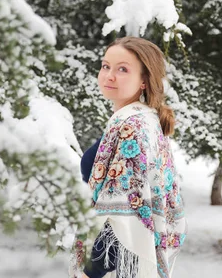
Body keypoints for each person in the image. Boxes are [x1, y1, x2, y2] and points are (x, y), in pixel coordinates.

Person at [79, 37, 187, 278]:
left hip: (117, 263)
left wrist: (91, 271)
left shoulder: (133, 128)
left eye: (123, 69)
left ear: (144, 81)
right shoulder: (135, 120)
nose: (109, 76)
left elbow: (127, 216)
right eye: (106, 66)